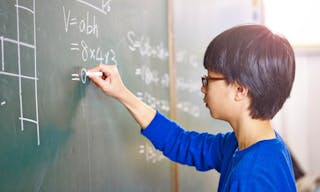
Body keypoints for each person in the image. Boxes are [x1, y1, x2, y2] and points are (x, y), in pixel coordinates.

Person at [88, 24, 297, 191]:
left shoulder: (252, 177)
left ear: (240, 90)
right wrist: (122, 93)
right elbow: (182, 143)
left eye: (209, 79)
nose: (203, 88)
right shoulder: (247, 145)